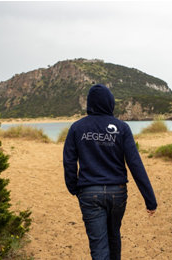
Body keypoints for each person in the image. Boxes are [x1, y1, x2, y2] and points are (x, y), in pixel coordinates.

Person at [63, 84, 157, 260]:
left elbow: (68, 161)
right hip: (118, 192)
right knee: (114, 236)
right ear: (110, 102)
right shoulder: (122, 128)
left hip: (89, 192)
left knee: (99, 246)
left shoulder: (77, 127)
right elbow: (135, 164)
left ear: (89, 103)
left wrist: (74, 187)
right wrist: (150, 200)